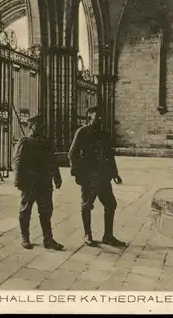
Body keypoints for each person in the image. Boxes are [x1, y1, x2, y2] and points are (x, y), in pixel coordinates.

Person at [68, 105, 126, 248]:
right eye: (97, 116)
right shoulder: (82, 132)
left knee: (111, 204)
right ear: (89, 117)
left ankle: (108, 236)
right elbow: (72, 153)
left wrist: (115, 173)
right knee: (87, 205)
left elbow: (109, 155)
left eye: (101, 117)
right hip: (89, 177)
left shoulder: (105, 134)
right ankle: (88, 234)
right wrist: (78, 173)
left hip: (104, 177)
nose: (100, 119)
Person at [12, 114, 64, 250]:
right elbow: (17, 162)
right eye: (38, 126)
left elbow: (53, 162)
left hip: (45, 183)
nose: (41, 129)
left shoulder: (47, 143)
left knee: (46, 211)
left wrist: (57, 177)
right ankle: (25, 238)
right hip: (30, 184)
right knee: (25, 210)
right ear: (31, 127)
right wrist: (18, 180)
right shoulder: (25, 142)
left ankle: (48, 239)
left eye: (42, 126)